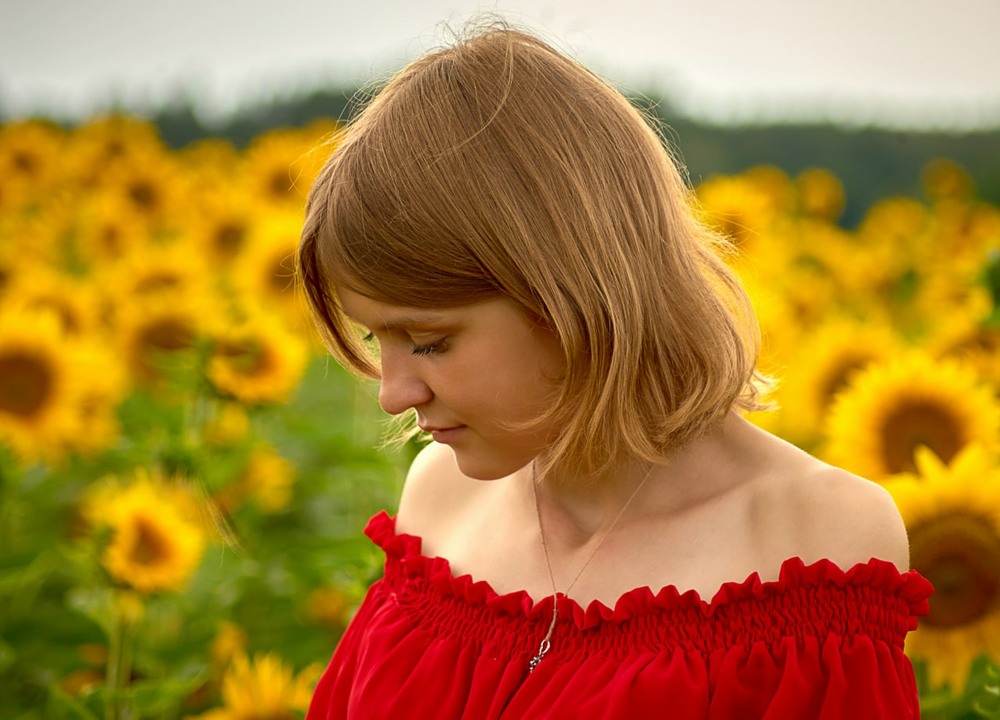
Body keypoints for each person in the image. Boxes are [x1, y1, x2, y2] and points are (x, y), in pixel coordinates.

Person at [297, 22, 932, 719]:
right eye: (373, 336)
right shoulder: (438, 505)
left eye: (429, 340)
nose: (393, 394)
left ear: (572, 292)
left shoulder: (812, 541)